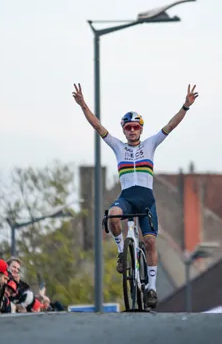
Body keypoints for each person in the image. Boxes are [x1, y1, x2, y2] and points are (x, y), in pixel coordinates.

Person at [72, 82, 199, 309]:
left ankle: (151, 288)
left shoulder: (150, 144)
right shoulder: (118, 147)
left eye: (135, 127)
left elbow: (171, 125)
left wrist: (185, 106)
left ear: (141, 129)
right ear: (123, 130)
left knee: (150, 242)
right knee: (112, 216)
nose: (132, 131)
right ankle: (123, 253)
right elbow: (97, 125)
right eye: (128, 127)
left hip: (147, 200)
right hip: (127, 198)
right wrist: (83, 105)